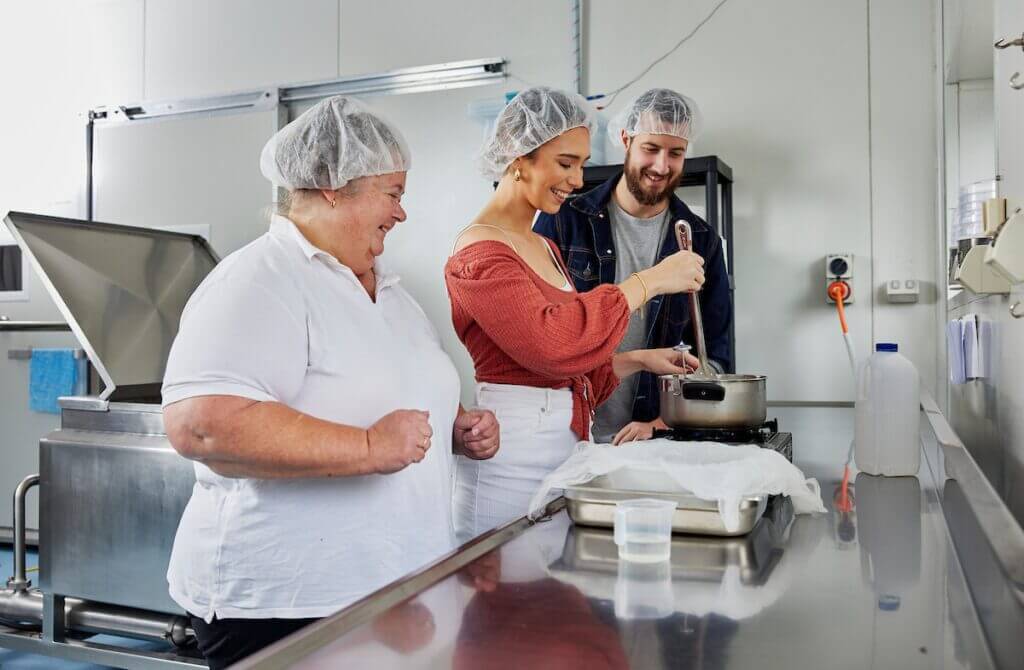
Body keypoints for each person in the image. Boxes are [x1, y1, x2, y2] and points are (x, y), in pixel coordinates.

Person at [160, 95, 499, 669]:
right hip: (287, 604)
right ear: (334, 187)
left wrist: (454, 429)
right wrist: (368, 447)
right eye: (393, 194)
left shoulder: (392, 292)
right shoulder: (260, 280)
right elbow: (203, 426)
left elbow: (393, 392)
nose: (401, 213)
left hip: (393, 589)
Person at [444, 86, 705, 541]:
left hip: (564, 457)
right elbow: (554, 346)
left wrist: (641, 360)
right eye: (566, 163)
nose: (578, 179)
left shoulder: (543, 245)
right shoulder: (479, 253)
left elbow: (572, 374)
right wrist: (649, 281)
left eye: (582, 164)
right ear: (518, 158)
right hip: (507, 468)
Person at [535, 88, 733, 445]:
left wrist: (663, 422)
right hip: (567, 433)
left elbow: (716, 358)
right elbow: (541, 331)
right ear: (626, 140)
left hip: (654, 441)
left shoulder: (702, 240)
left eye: (675, 153)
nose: (661, 166)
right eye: (651, 148)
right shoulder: (564, 222)